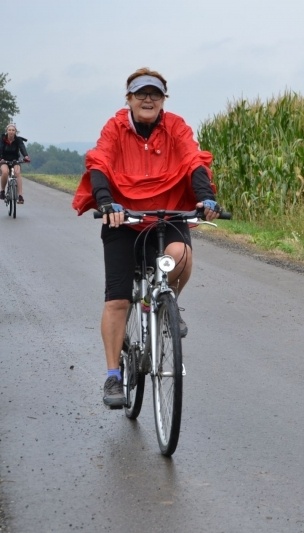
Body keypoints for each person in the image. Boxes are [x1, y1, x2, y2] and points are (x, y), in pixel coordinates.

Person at [72, 67, 224, 409]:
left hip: (166, 213)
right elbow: (99, 162)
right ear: (128, 98)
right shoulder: (115, 127)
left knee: (181, 255)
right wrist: (105, 200)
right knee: (117, 300)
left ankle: (160, 302)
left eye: (155, 94)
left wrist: (204, 195)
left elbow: (192, 160)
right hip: (123, 218)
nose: (148, 99)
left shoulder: (176, 127)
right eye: (141, 93)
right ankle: (114, 375)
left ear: (163, 100)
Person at [0, 123, 31, 204]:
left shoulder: (18, 140)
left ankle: (20, 196)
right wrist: (1, 158)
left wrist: (26, 156)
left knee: (18, 173)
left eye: (13, 130)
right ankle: (2, 191)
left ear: (15, 132)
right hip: (4, 160)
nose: (11, 132)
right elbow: (0, 148)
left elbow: (22, 148)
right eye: (9, 130)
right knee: (5, 172)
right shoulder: (2, 139)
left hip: (15, 160)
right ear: (7, 131)